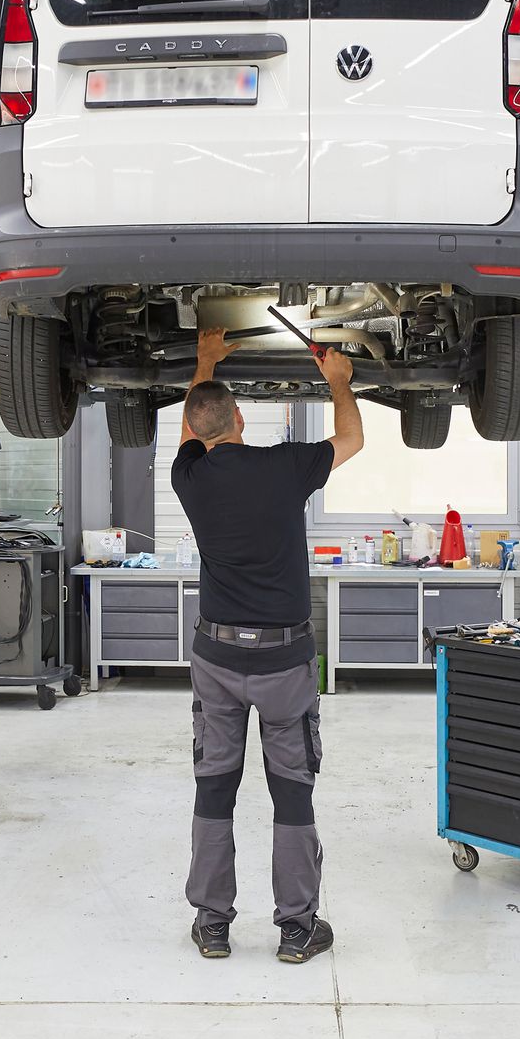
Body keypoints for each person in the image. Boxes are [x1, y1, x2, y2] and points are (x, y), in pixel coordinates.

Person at [171, 325, 363, 964]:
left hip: (217, 659)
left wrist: (204, 359)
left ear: (200, 430)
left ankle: (213, 925)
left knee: (214, 787)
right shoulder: (286, 467)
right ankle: (296, 930)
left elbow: (193, 423)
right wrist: (338, 383)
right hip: (283, 661)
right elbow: (352, 439)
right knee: (292, 790)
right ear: (241, 418)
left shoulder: (189, 478)